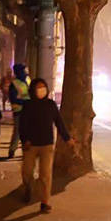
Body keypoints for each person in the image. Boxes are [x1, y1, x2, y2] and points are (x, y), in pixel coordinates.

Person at [19, 78, 74, 214]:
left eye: (43, 87)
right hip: (30, 145)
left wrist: (68, 139)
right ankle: (28, 187)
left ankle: (44, 202)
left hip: (47, 145)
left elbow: (59, 122)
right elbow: (22, 125)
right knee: (27, 171)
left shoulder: (50, 105)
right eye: (38, 87)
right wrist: (25, 139)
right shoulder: (28, 105)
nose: (41, 90)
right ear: (33, 90)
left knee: (45, 175)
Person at [7, 63, 30, 159]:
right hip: (19, 111)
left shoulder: (28, 80)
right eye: (25, 70)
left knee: (28, 132)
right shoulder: (14, 84)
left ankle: (26, 151)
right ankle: (12, 150)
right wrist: (25, 102)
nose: (27, 72)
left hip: (28, 110)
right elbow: (13, 98)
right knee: (17, 132)